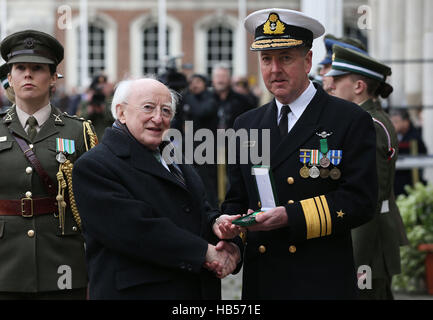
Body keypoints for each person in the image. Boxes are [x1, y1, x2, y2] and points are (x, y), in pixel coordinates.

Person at [220, 8, 378, 299]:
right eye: (266, 59)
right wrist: (230, 235)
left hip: (320, 279)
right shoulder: (246, 123)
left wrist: (290, 216)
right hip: (263, 280)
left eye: (285, 58)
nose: (274, 69)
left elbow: (361, 200)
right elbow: (237, 199)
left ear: (307, 61)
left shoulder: (348, 119)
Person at [72, 77, 243, 300]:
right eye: (148, 108)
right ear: (121, 112)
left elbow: (199, 208)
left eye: (166, 111)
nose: (158, 118)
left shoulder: (172, 157)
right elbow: (136, 229)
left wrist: (218, 225)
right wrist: (205, 252)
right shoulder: (94, 166)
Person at [0, 29, 98, 299]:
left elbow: (96, 202)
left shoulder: (79, 132)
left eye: (37, 68)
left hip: (63, 259)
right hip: (5, 262)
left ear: (54, 77)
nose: (28, 74)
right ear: (10, 77)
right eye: (20, 68)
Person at [326, 44, 409, 299]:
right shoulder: (367, 121)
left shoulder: (368, 126)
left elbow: (369, 198)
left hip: (368, 239)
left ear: (359, 87)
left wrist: (357, 256)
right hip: (369, 236)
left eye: (338, 81)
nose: (330, 86)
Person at [182, 74, 219, 208]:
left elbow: (202, 112)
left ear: (205, 83)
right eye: (191, 82)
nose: (194, 85)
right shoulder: (187, 99)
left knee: (208, 182)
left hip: (206, 147)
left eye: (198, 81)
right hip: (189, 147)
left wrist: (188, 98)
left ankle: (213, 209)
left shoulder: (210, 98)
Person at [390, 109, 428, 196]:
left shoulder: (414, 137)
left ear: (406, 122)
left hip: (408, 182)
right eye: (391, 122)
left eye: (396, 122)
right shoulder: (397, 135)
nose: (393, 125)